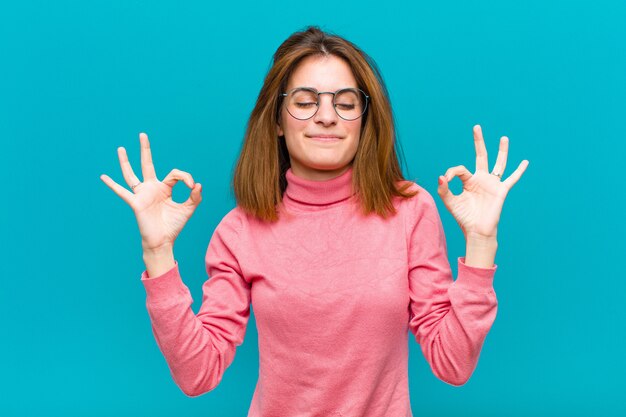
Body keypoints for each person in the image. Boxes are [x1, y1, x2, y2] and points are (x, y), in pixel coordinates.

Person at [100, 26, 528, 417]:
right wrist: (158, 253)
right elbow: (198, 375)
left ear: (365, 120)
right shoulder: (239, 230)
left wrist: (480, 241)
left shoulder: (410, 211)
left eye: (344, 104)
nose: (326, 117)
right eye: (305, 103)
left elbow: (451, 363)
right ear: (278, 121)